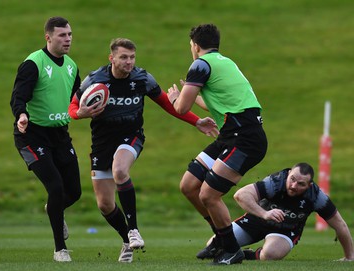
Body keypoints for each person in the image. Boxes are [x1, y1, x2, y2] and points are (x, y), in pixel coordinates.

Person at [68, 38, 218, 263]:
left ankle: (134, 230)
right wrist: (80, 114)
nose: (129, 62)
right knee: (105, 205)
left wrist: (196, 121)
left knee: (120, 171)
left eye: (132, 57)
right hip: (101, 143)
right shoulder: (95, 79)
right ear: (112, 58)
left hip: (131, 137)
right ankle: (126, 240)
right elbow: (72, 107)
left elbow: (167, 103)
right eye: (123, 57)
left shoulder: (142, 78)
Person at [166, 23, 268, 265]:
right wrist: (186, 96)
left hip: (244, 138)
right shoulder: (225, 62)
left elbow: (181, 108)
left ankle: (231, 249)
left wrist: (174, 99)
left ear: (195, 46)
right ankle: (223, 239)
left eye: (190, 45)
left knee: (209, 194)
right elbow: (216, 100)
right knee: (189, 185)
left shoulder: (200, 64)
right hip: (232, 135)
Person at [10, 16, 82, 262]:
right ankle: (60, 249)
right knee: (56, 187)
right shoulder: (33, 63)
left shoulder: (72, 66)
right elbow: (18, 96)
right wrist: (21, 115)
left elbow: (77, 99)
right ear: (48, 37)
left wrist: (89, 108)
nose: (68, 39)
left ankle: (54, 209)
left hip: (60, 135)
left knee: (74, 192)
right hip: (31, 134)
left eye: (70, 34)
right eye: (62, 35)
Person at [198, 162, 354, 262]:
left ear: (309, 185)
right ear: (289, 174)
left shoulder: (316, 197)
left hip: (286, 229)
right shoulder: (275, 182)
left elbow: (340, 225)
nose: (293, 185)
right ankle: (236, 250)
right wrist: (264, 214)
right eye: (292, 179)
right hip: (256, 220)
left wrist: (349, 257)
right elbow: (240, 195)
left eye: (300, 184)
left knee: (270, 255)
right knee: (213, 245)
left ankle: (252, 255)